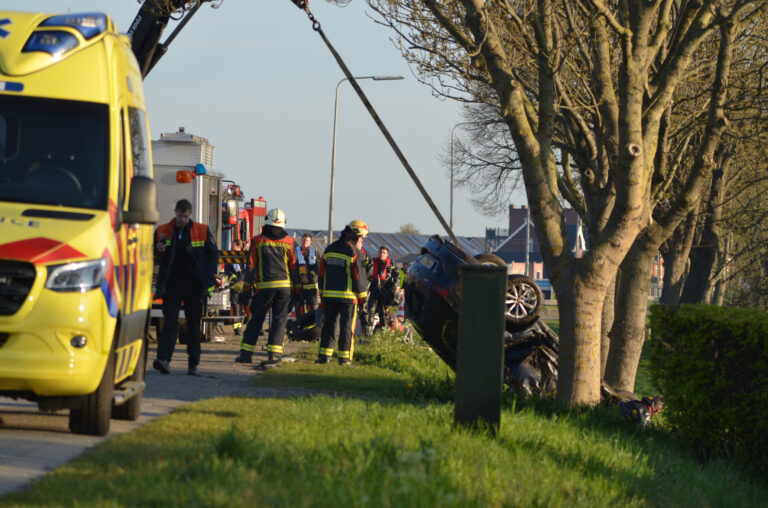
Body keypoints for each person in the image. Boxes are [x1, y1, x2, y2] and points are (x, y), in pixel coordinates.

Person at [153, 199, 218, 376]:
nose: (182, 219)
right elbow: (151, 254)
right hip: (171, 283)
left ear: (190, 215)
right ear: (175, 213)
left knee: (193, 324)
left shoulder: (202, 230)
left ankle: (193, 363)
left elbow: (213, 256)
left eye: (186, 216)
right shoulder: (162, 231)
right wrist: (157, 249)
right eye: (180, 216)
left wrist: (209, 277)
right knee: (170, 322)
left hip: (194, 284)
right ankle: (163, 359)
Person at [234, 208, 297, 367]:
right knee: (279, 320)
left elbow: (251, 267)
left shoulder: (257, 241)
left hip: (264, 288)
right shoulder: (289, 242)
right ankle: (274, 354)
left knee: (255, 320)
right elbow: (294, 267)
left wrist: (246, 290)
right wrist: (297, 290)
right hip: (284, 287)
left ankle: (246, 354)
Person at [316, 220, 370, 365]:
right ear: (356, 236)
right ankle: (344, 359)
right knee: (346, 328)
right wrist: (363, 299)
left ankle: (324, 357)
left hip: (329, 297)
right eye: (362, 239)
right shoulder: (354, 252)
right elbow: (358, 277)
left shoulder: (329, 249)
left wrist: (322, 295)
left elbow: (321, 274)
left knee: (329, 325)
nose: (362, 243)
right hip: (348, 298)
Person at [364, 246, 400, 334]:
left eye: (384, 253)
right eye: (380, 252)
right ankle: (368, 332)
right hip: (375, 290)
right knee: (370, 310)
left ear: (387, 254)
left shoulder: (392, 265)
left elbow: (397, 276)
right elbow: (367, 274)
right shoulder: (373, 262)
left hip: (386, 291)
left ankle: (382, 331)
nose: (381, 254)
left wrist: (393, 287)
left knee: (384, 313)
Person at [224, 239, 248, 336]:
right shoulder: (229, 258)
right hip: (235, 287)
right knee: (235, 307)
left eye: (233, 247)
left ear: (239, 247)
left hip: (245, 287)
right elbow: (227, 271)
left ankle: (253, 327)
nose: (231, 248)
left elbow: (249, 269)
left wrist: (244, 279)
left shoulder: (245, 256)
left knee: (248, 307)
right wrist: (235, 280)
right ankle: (237, 329)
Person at [295, 233, 320, 318]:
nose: (305, 242)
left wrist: (308, 277)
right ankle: (299, 326)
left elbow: (317, 268)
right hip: (299, 285)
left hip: (311, 286)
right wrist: (300, 277)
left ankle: (310, 327)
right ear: (301, 240)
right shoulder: (295, 252)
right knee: (299, 308)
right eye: (304, 240)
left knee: (312, 308)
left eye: (307, 240)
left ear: (310, 242)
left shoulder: (315, 253)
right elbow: (293, 267)